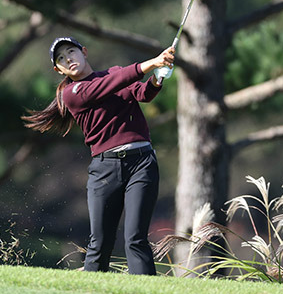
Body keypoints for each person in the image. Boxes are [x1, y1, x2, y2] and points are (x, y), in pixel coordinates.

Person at [22, 36, 174, 275]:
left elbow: (143, 94)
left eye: (71, 52)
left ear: (84, 51)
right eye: (61, 59)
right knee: (100, 244)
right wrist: (151, 63)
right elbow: (114, 82)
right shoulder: (72, 93)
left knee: (136, 239)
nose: (68, 59)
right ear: (58, 69)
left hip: (142, 163)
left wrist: (157, 78)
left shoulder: (113, 73)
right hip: (106, 169)